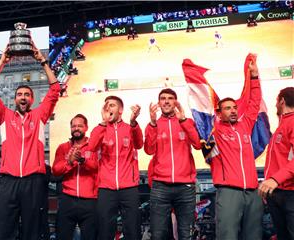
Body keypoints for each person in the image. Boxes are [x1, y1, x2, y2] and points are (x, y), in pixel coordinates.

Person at [0, 41, 60, 240]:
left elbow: (54, 89)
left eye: (27, 94)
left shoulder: (40, 116)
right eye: (19, 94)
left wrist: (43, 62)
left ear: (32, 99)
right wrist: (1, 62)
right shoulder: (4, 116)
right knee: (4, 231)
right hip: (8, 182)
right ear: (15, 99)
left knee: (32, 232)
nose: (23, 97)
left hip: (33, 182)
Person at [210, 56, 263, 239]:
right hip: (229, 192)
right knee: (227, 236)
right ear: (219, 112)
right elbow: (199, 139)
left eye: (234, 107)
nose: (232, 110)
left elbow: (254, 103)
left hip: (253, 191)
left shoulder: (245, 125)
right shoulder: (215, 132)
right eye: (227, 108)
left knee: (254, 236)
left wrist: (254, 77)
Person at [144, 88, 202, 240]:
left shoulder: (187, 122)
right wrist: (152, 123)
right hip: (160, 186)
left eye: (170, 98)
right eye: (163, 98)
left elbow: (197, 144)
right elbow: (149, 150)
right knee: (158, 234)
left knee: (186, 234)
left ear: (175, 102)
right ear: (159, 102)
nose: (167, 101)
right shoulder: (154, 125)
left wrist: (183, 121)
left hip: (185, 186)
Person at [88, 96, 143, 240]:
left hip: (129, 187)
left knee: (132, 230)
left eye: (112, 105)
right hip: (106, 188)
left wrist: (133, 123)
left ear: (120, 110)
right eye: (106, 105)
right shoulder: (101, 128)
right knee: (105, 230)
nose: (108, 108)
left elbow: (139, 144)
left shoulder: (130, 128)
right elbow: (92, 146)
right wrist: (103, 122)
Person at [52, 114, 98, 240]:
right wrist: (70, 162)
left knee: (90, 237)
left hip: (90, 201)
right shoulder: (63, 147)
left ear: (86, 127)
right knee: (62, 236)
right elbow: (55, 171)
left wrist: (83, 161)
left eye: (80, 126)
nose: (76, 128)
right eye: (73, 126)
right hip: (68, 199)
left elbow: (98, 168)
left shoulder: (94, 147)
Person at [258, 87, 294, 240]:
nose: (275, 106)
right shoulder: (282, 126)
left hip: (290, 193)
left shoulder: (292, 123)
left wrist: (275, 179)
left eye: (276, 101)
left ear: (282, 101)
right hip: (277, 192)